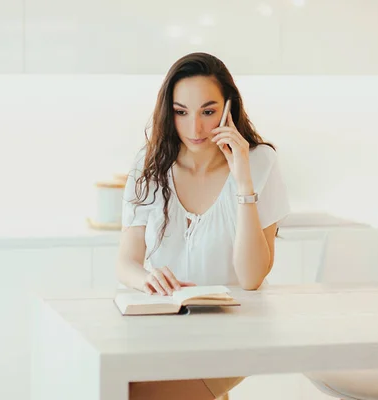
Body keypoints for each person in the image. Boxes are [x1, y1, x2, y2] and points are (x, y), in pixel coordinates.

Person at [116, 52, 291, 400]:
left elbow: (251, 278)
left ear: (229, 108)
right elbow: (126, 262)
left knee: (137, 395)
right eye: (181, 112)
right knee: (113, 382)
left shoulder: (260, 162)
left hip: (238, 331)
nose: (194, 129)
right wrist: (146, 278)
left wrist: (243, 181)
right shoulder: (149, 165)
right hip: (169, 327)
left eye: (208, 112)